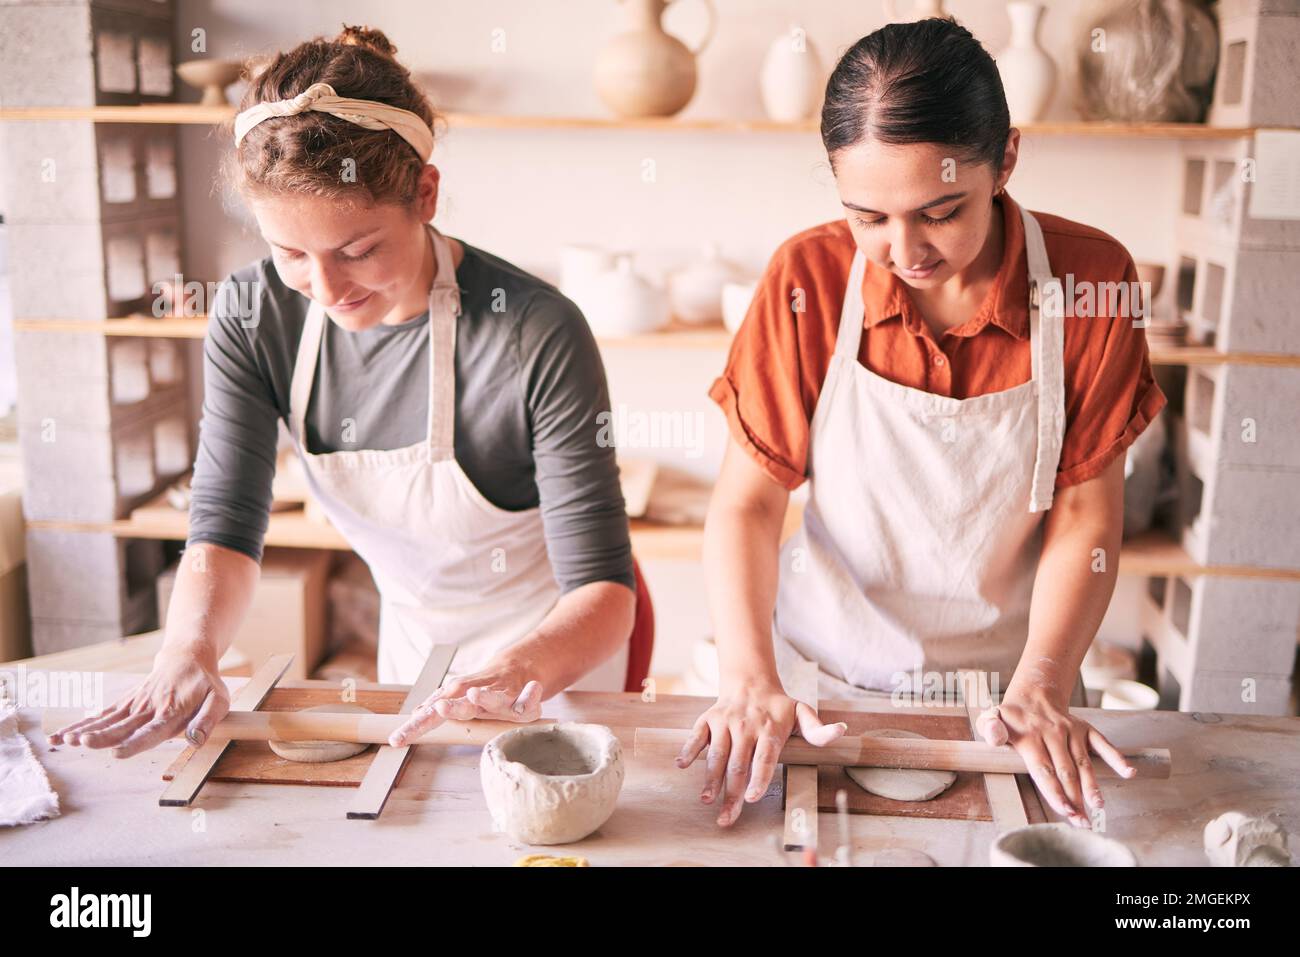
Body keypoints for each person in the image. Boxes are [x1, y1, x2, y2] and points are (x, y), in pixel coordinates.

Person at [49, 25, 653, 758]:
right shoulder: (253, 312)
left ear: (425, 194)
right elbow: (224, 527)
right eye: (291, 254)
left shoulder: (535, 330)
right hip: (412, 658)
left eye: (358, 250)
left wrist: (513, 670)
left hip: (554, 661)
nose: (327, 289)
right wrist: (188, 647)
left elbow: (605, 594)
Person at [683, 18, 1165, 828]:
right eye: (868, 216)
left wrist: (1043, 683)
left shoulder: (1092, 280)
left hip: (1013, 701)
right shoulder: (808, 276)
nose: (903, 250)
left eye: (940, 211)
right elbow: (748, 503)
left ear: (1005, 159)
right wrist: (748, 676)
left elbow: (1087, 512)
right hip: (826, 688)